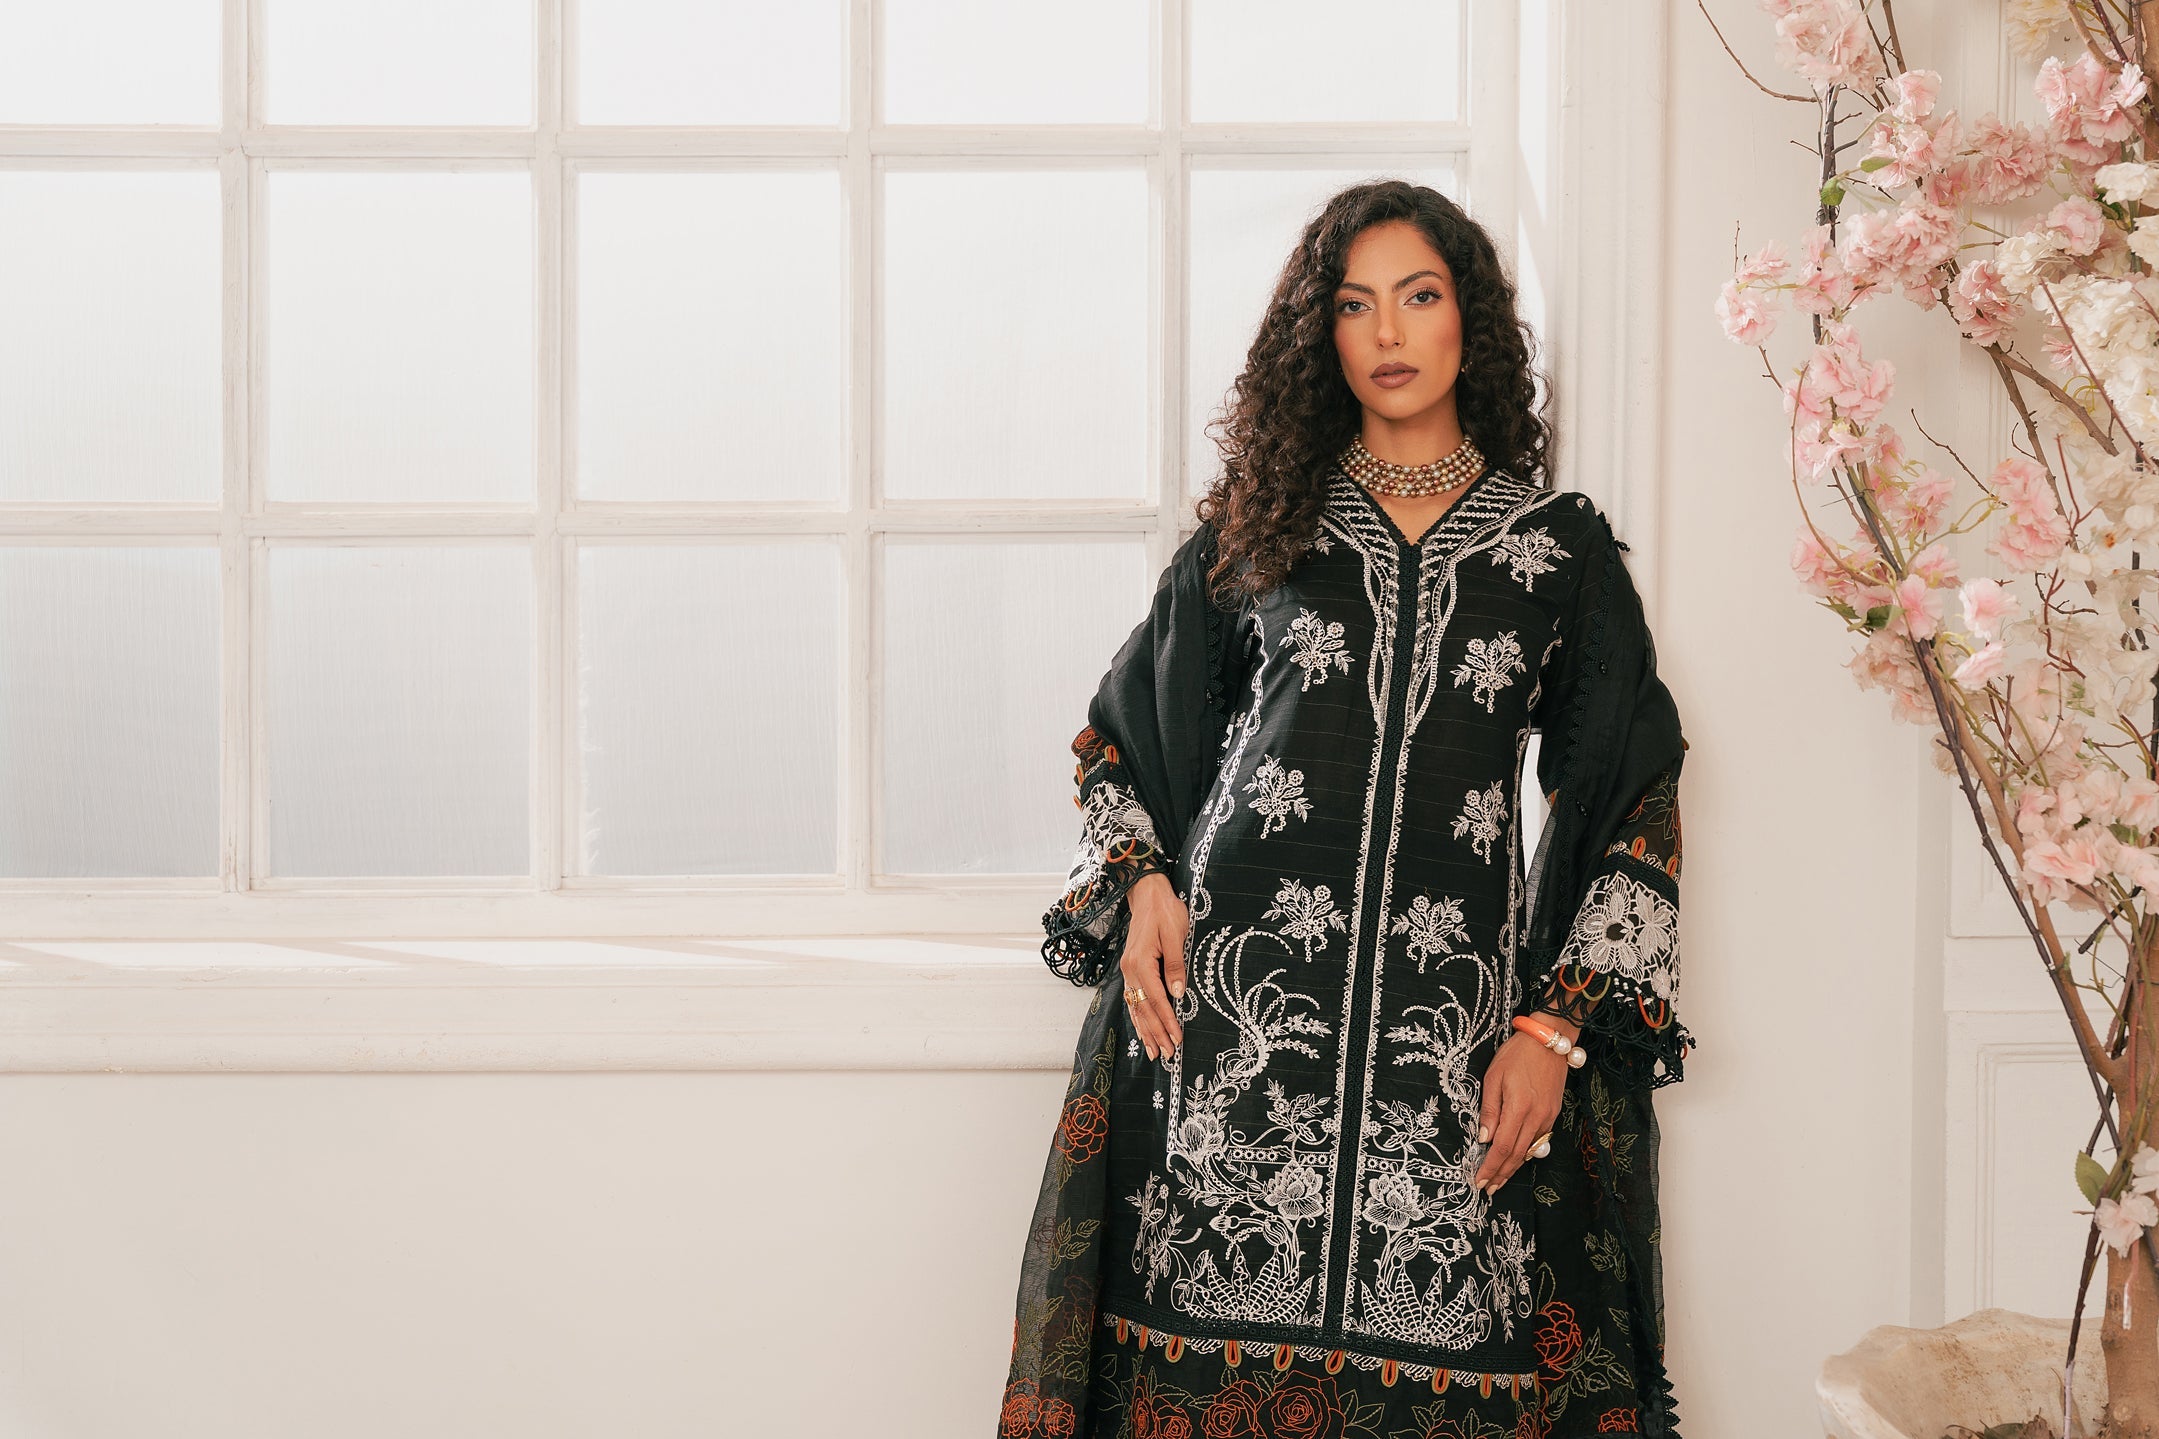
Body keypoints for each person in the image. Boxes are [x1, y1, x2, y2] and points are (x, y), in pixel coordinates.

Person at [998, 180, 1691, 1439]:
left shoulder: (1556, 550)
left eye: (1417, 297)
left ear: (1469, 319)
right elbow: (1123, 731)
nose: (1387, 332)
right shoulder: (1262, 528)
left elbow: (1626, 789)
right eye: (1354, 305)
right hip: (1224, 1038)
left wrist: (1551, 1026)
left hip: (1447, 1055)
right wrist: (1143, 881)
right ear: (1319, 335)